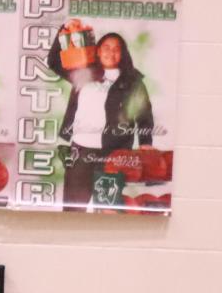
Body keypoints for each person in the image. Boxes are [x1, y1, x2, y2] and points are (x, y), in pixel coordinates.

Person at [47, 28, 153, 210]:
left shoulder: (132, 81)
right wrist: (62, 33)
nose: (110, 52)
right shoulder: (83, 72)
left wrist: (145, 142)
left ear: (123, 53)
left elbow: (143, 112)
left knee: (108, 209)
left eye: (116, 48)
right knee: (73, 209)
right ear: (97, 50)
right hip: (80, 152)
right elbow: (54, 62)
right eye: (106, 47)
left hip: (114, 153)